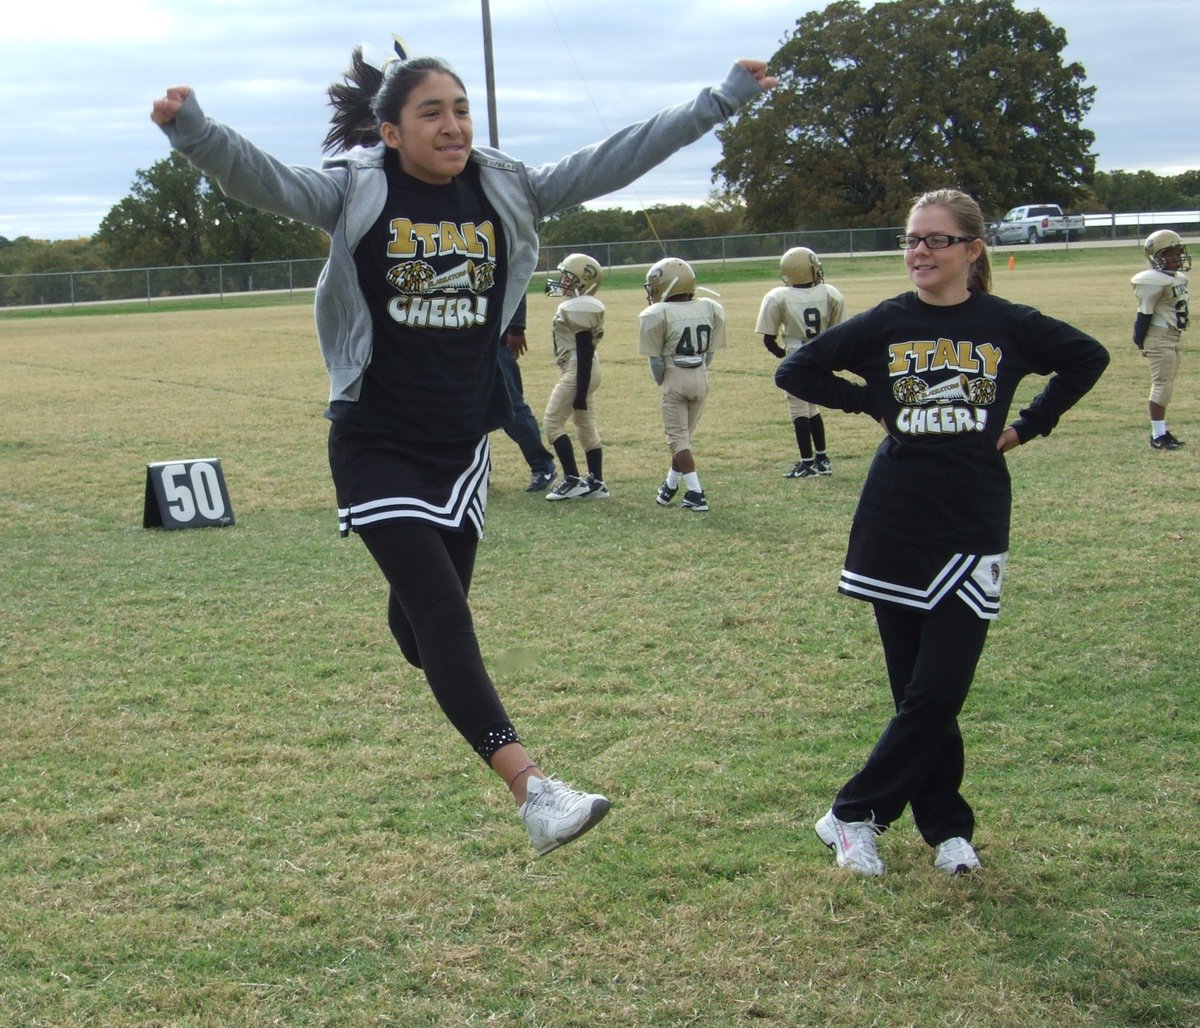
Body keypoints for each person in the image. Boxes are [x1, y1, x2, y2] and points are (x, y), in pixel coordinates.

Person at [151, 44, 775, 855]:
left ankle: (418, 606)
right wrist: (195, 132)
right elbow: (260, 177)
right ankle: (534, 790)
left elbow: (621, 153)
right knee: (444, 617)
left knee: (420, 633)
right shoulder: (355, 190)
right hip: (376, 439)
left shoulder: (505, 185)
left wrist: (721, 101)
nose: (452, 125)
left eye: (460, 108)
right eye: (431, 112)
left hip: (460, 444)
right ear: (390, 130)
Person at [776, 189, 1109, 877]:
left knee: (941, 690)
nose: (920, 251)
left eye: (936, 240)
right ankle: (947, 829)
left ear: (972, 249)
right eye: (912, 239)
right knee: (918, 695)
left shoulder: (1007, 323)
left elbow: (1088, 357)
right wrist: (873, 401)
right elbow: (797, 368)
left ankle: (850, 812)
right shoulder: (886, 323)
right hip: (895, 520)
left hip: (974, 519)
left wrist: (1027, 425)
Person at [639, 257, 727, 512]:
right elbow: (710, 354)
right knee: (684, 439)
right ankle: (669, 486)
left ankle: (696, 494)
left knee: (677, 439)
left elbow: (656, 362)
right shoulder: (710, 307)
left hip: (675, 375)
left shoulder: (658, 313)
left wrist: (663, 381)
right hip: (700, 374)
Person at [755, 246, 846, 478]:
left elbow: (769, 340)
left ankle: (807, 462)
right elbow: (839, 331)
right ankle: (822, 459)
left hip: (796, 352)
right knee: (811, 407)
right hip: (821, 351)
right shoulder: (829, 293)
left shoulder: (779, 296)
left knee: (798, 409)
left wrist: (781, 353)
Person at [542, 253, 609, 501]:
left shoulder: (579, 307)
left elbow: (583, 347)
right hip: (586, 367)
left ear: (581, 282)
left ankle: (572, 479)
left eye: (567, 277)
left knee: (552, 423)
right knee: (584, 422)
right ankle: (597, 481)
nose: (562, 281)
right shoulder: (582, 305)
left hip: (579, 367)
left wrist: (579, 392)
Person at [1131, 229, 1190, 451]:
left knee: (1167, 384)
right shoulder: (1151, 281)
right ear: (1156, 257)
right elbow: (1143, 314)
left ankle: (1162, 431)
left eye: (1178, 253)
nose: (1176, 258)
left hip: (1173, 335)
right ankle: (1157, 436)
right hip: (1159, 337)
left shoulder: (1177, 278)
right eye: (1170, 254)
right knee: (1161, 385)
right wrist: (1140, 341)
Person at [500, 295, 558, 491]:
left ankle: (543, 466)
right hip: (467, 338)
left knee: (511, 407)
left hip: (497, 339)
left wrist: (516, 327)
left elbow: (517, 276)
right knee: (469, 407)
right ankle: (478, 472)